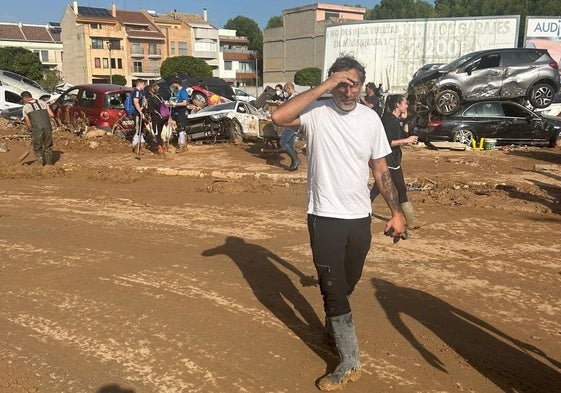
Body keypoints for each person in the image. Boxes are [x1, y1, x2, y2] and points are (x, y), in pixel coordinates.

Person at [272, 55, 406, 391]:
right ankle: (350, 361)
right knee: (332, 288)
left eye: (353, 84)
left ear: (362, 87)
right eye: (341, 84)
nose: (347, 91)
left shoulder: (371, 118)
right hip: (324, 216)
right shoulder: (316, 113)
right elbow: (278, 116)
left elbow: (380, 169)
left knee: (347, 282)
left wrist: (397, 212)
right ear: (332, 83)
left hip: (359, 217)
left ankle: (334, 325)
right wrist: (328, 83)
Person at [370, 94, 422, 228]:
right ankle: (411, 220)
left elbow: (402, 136)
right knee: (401, 189)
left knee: (377, 188)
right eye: (404, 103)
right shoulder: (389, 121)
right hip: (389, 160)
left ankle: (363, 209)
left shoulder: (393, 120)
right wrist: (406, 140)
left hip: (393, 159)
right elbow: (387, 142)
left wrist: (404, 123)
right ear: (397, 105)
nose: (407, 106)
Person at [21, 90, 54, 165]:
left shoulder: (25, 107)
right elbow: (52, 115)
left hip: (37, 129)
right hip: (47, 127)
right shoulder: (42, 102)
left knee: (37, 147)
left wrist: (30, 130)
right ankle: (49, 164)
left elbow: (28, 122)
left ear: (25, 98)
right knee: (48, 146)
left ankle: (40, 164)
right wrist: (43, 118)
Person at [278, 82, 301, 171]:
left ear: (288, 89)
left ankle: (296, 160)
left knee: (283, 142)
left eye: (284, 90)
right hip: (296, 124)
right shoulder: (297, 97)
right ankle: (294, 163)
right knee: (290, 144)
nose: (284, 92)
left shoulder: (294, 97)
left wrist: (282, 105)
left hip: (292, 124)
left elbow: (291, 111)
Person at [147, 83, 167, 154]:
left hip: (156, 117)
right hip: (163, 117)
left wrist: (148, 114)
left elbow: (151, 110)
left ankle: (160, 147)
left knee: (156, 133)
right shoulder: (160, 97)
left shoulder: (151, 98)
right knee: (160, 132)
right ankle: (161, 145)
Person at [170, 77, 190, 148]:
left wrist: (175, 104)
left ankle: (182, 144)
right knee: (179, 127)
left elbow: (185, 103)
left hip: (182, 111)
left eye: (173, 84)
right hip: (177, 111)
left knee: (181, 127)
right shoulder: (177, 92)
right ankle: (182, 143)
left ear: (176, 83)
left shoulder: (183, 91)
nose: (173, 85)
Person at [131, 78, 146, 150]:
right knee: (138, 129)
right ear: (139, 84)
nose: (144, 86)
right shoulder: (136, 92)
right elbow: (135, 102)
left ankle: (141, 143)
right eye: (143, 84)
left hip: (139, 112)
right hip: (137, 113)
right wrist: (140, 111)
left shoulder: (140, 92)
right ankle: (135, 145)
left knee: (141, 128)